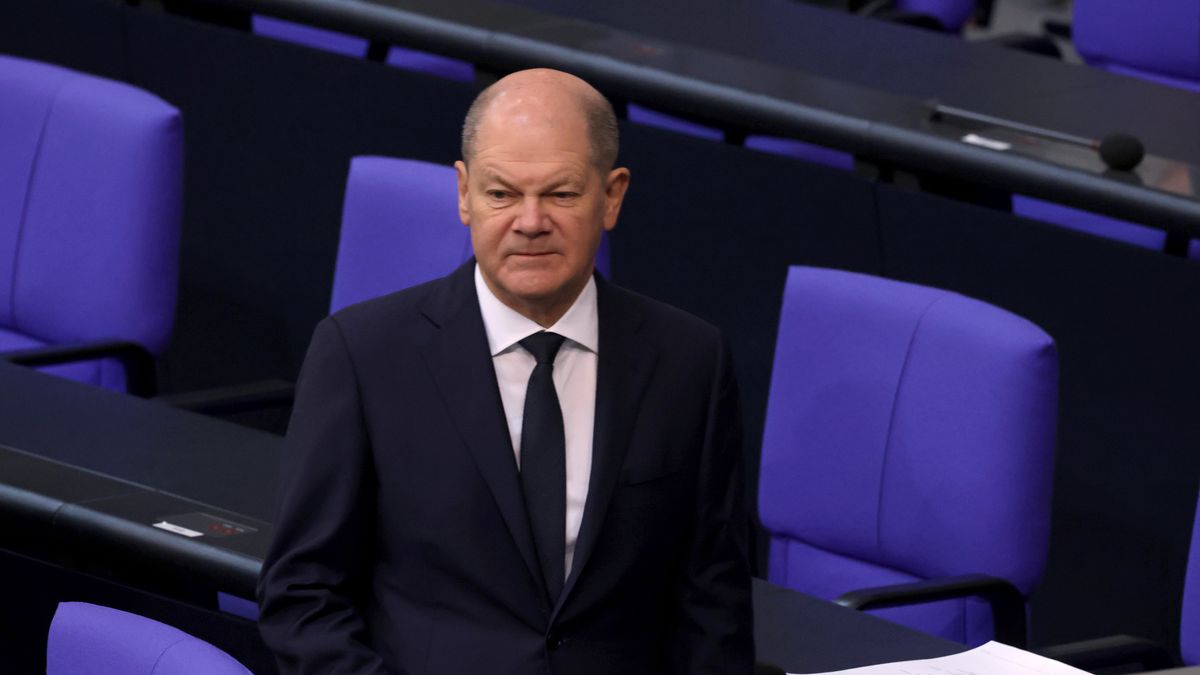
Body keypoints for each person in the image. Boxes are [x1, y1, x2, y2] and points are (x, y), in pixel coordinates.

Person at [258, 68, 753, 674]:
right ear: (464, 194)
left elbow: (713, 604)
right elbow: (302, 598)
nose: (530, 221)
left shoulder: (690, 361)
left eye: (561, 194)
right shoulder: (362, 355)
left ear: (612, 196)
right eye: (501, 194)